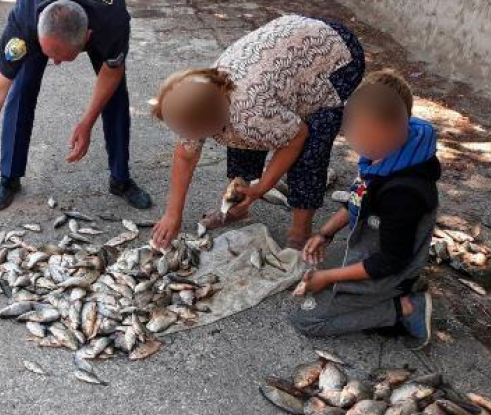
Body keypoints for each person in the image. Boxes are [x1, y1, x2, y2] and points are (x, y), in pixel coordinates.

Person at [0, 0, 152, 211]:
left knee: (116, 95)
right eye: (49, 53)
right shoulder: (24, 20)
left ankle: (121, 179)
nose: (54, 62)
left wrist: (86, 122)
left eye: (62, 57)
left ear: (88, 37)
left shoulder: (113, 20)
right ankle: (9, 177)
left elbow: (111, 74)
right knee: (22, 87)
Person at [150, 14, 365, 250]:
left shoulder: (249, 114)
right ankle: (237, 205)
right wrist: (173, 214)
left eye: (188, 132)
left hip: (335, 57)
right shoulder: (210, 96)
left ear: (209, 123)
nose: (184, 138)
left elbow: (297, 137)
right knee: (244, 138)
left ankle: (300, 228)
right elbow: (185, 155)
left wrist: (262, 187)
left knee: (311, 144)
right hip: (291, 50)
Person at [291, 69, 440, 348]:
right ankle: (387, 295)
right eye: (354, 136)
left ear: (400, 127)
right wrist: (325, 233)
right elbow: (358, 197)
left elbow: (390, 261)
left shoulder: (404, 192)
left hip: (391, 269)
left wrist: (327, 277)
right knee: (312, 280)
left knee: (307, 319)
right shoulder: (382, 156)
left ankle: (407, 306)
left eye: (364, 140)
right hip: (373, 249)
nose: (359, 147)